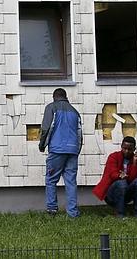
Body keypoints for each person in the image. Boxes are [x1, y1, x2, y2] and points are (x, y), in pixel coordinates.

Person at [38, 88, 83, 218]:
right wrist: (77, 150)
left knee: (51, 179)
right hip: (73, 150)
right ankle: (73, 213)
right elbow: (80, 133)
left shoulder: (51, 107)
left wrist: (42, 145)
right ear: (65, 97)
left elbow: (46, 128)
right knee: (71, 182)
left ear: (54, 97)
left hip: (57, 150)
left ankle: (52, 209)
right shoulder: (75, 112)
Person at [92, 136, 137, 218]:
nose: (127, 151)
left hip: (126, 192)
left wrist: (135, 162)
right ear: (121, 146)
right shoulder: (113, 156)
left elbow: (133, 179)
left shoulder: (134, 159)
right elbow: (112, 174)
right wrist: (120, 175)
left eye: (130, 149)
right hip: (111, 194)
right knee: (121, 183)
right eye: (124, 148)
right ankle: (120, 214)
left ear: (134, 149)